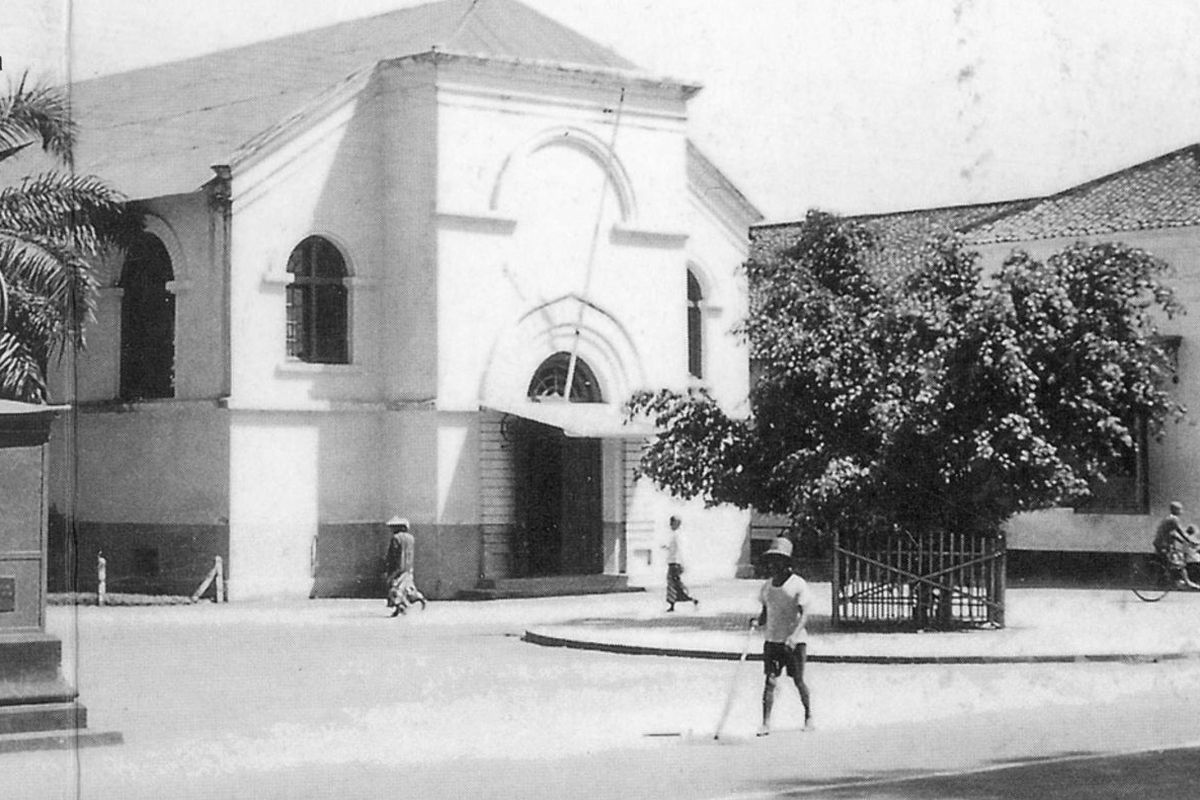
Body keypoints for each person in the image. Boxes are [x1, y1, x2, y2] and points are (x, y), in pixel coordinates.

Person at [752, 535, 813, 736]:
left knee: (798, 680)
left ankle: (808, 715)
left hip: (794, 643)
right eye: (771, 560)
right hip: (772, 641)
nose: (773, 565)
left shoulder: (798, 584)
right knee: (770, 680)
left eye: (778, 560)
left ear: (787, 563)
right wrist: (757, 621)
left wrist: (794, 637)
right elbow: (765, 612)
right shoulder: (767, 587)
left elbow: (804, 615)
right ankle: (766, 723)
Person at [384, 516, 427, 616]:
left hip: (397, 568)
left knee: (395, 589)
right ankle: (418, 598)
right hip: (407, 568)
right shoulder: (411, 538)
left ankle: (399, 608)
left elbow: (392, 554)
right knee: (407, 588)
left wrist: (388, 567)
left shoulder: (396, 538)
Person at [1153, 502, 1200, 590]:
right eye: (1180, 509)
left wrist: (1183, 542)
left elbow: (1173, 534)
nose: (1182, 511)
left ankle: (1179, 581)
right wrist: (1191, 541)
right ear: (1175, 510)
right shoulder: (1174, 519)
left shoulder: (1168, 519)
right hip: (1164, 545)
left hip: (1162, 544)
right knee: (1179, 563)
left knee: (1176, 561)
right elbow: (1181, 532)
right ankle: (1186, 582)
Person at [663, 515, 699, 612]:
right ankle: (674, 603)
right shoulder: (676, 535)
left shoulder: (677, 535)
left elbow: (680, 550)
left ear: (676, 523)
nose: (670, 525)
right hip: (674, 562)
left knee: (674, 584)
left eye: (672, 522)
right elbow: (674, 549)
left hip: (675, 563)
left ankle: (689, 599)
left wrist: (682, 563)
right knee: (674, 584)